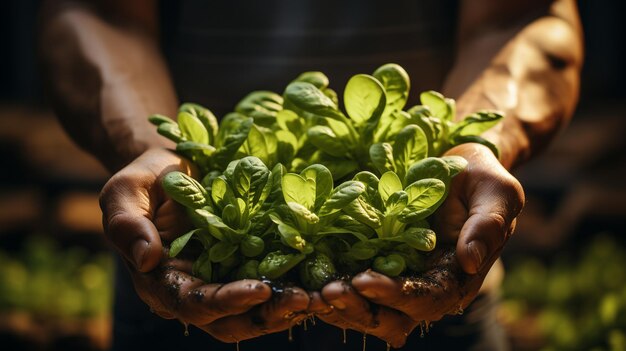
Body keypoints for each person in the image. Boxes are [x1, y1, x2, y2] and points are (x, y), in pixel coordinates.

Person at [39, 0, 583, 349]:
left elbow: (522, 17)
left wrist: (475, 146)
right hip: (175, 267)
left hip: (437, 270)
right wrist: (152, 148)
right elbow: (97, 12)